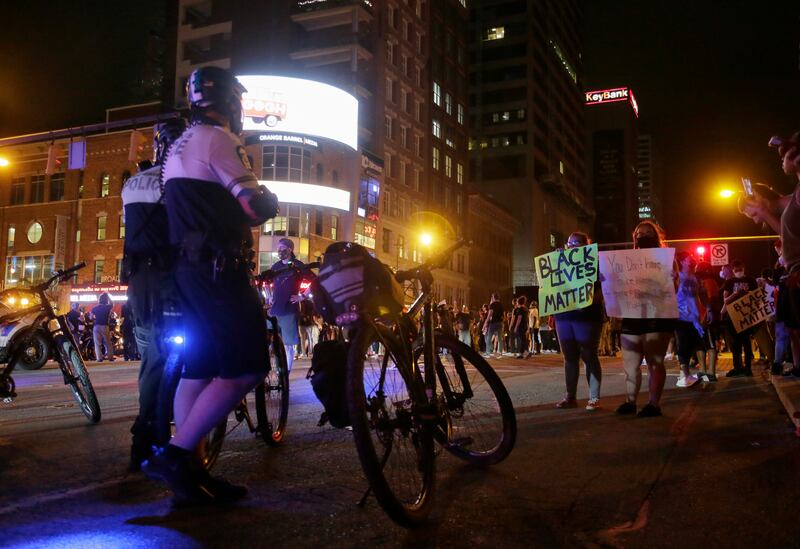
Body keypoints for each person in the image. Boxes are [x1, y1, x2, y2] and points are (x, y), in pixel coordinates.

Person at [142, 66, 279, 504]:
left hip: (188, 269)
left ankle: (192, 473)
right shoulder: (219, 140)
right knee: (246, 367)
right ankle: (179, 455)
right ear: (231, 103)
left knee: (199, 369)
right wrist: (267, 200)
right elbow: (253, 205)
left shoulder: (180, 143)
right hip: (219, 270)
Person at [122, 117, 186, 470]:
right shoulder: (182, 180)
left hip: (140, 283)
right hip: (175, 279)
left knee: (152, 359)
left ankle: (143, 438)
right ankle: (184, 435)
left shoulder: (133, 182)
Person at [739, 136, 800, 376]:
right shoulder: (794, 195)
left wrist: (764, 212)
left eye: (784, 156)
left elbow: (790, 236)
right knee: (794, 328)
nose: (781, 162)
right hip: (794, 271)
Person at [615, 221, 676, 418]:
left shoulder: (667, 259)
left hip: (657, 316)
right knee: (630, 364)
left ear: (656, 236)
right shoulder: (626, 260)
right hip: (632, 316)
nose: (643, 235)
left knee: (655, 361)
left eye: (647, 232)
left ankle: (653, 403)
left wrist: (673, 277)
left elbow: (674, 283)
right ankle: (630, 401)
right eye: (639, 233)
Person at [553, 231, 604, 411]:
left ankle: (594, 398)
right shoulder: (560, 261)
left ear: (586, 245)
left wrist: (588, 300)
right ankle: (570, 397)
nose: (573, 246)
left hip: (587, 317)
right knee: (569, 357)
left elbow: (604, 290)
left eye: (577, 243)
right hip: (564, 316)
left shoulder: (596, 263)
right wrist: (556, 262)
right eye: (570, 243)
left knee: (589, 355)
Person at [270, 238, 305, 372]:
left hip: (289, 310)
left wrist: (302, 296)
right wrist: (270, 298)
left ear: (290, 249)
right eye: (278, 248)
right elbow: (269, 283)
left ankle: (285, 375)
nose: (279, 251)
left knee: (288, 345)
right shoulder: (276, 267)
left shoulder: (298, 265)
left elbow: (315, 281)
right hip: (274, 311)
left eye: (282, 248)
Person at [721, 260, 759, 377]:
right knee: (735, 344)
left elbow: (757, 297)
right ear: (733, 270)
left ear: (744, 268)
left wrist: (748, 293)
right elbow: (726, 300)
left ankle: (748, 368)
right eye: (736, 270)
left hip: (746, 316)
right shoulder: (729, 282)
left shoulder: (751, 281)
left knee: (746, 343)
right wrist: (735, 294)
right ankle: (737, 367)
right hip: (732, 317)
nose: (738, 271)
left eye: (740, 269)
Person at [673, 251, 702, 388]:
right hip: (681, 316)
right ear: (683, 261)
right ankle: (685, 376)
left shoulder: (694, 277)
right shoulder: (677, 276)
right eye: (689, 256)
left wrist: (700, 312)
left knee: (691, 345)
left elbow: (696, 297)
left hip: (693, 317)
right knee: (683, 345)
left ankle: (684, 375)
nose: (693, 257)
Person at [695, 261, 721, 381]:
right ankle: (703, 370)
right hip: (699, 318)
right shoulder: (700, 282)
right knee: (700, 345)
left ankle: (710, 371)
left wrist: (709, 312)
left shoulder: (709, 281)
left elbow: (712, 298)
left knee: (710, 344)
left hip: (705, 318)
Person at [91, 293, 115, 362]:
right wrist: (108, 297)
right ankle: (110, 357)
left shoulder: (95, 308)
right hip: (105, 326)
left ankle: (99, 358)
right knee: (107, 342)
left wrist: (95, 319)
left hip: (96, 326)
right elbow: (112, 303)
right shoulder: (108, 307)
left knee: (97, 343)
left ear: (99, 300)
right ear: (106, 300)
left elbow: (91, 317)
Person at [483, 293, 504, 358]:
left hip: (493, 323)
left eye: (492, 297)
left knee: (489, 338)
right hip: (500, 323)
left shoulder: (493, 305)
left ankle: (488, 352)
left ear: (493, 298)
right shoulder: (501, 305)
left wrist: (485, 323)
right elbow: (503, 315)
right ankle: (500, 352)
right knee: (500, 338)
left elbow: (489, 315)